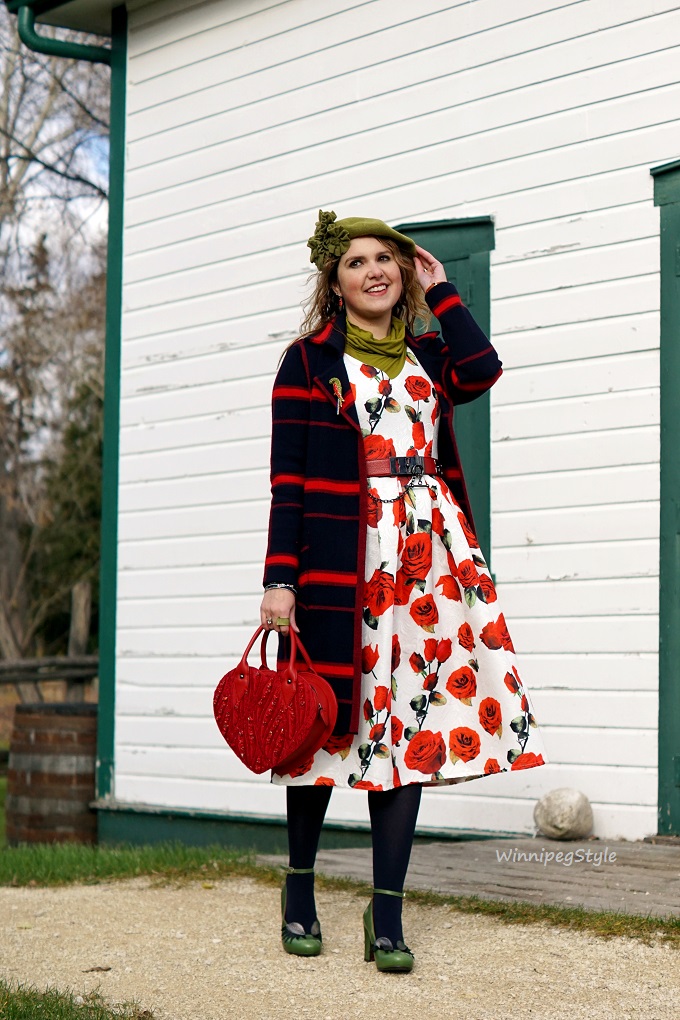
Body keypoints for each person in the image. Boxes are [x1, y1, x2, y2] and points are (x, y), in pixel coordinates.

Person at [260, 211, 548, 972]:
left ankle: (386, 915)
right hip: (341, 562)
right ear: (335, 281)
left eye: (385, 259)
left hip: (429, 564)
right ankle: (299, 889)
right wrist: (279, 583)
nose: (374, 272)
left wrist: (443, 290)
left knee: (411, 732)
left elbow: (482, 368)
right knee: (324, 724)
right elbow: (287, 480)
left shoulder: (428, 354)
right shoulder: (308, 362)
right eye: (356, 262)